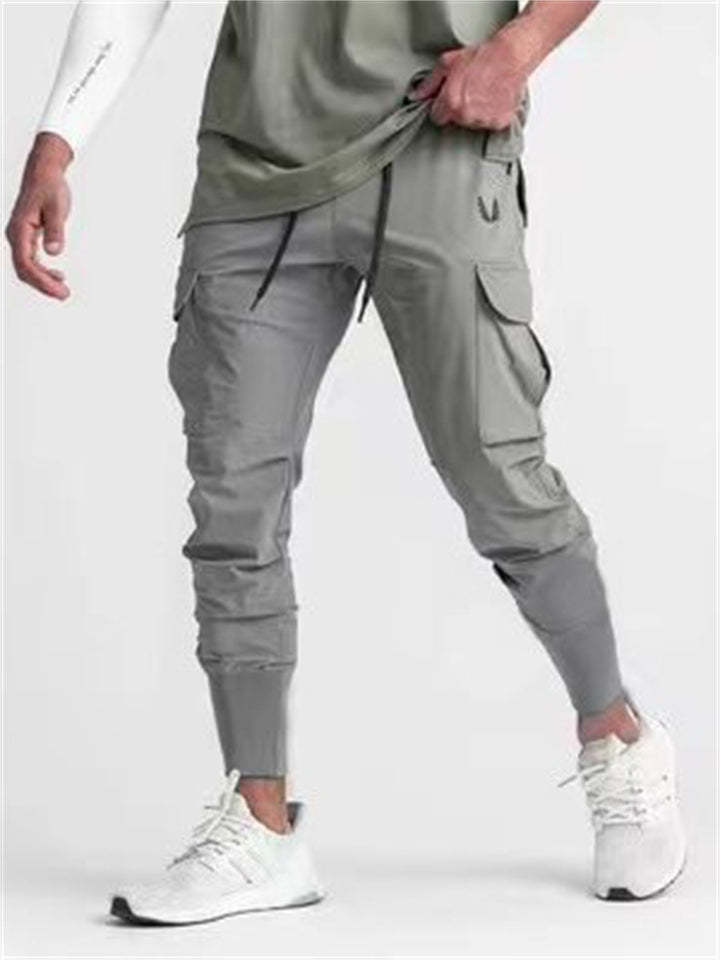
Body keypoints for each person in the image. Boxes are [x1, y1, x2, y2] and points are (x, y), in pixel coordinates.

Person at [6, 0, 686, 926]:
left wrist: (515, 52)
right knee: (234, 499)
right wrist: (57, 142)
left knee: (498, 477)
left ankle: (617, 737)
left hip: (438, 136)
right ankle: (260, 821)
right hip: (257, 163)